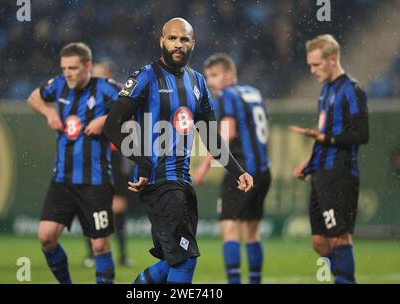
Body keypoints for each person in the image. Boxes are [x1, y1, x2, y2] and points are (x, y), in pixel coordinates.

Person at [103, 18, 253, 284]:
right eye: (172, 38)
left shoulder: (197, 83)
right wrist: (142, 161)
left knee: (174, 258)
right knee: (185, 258)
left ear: (192, 43)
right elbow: (112, 125)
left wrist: (237, 171)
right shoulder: (145, 77)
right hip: (160, 182)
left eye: (184, 39)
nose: (178, 44)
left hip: (183, 183)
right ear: (162, 41)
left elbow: (210, 137)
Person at [28, 42, 121, 284]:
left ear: (87, 66)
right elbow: (34, 97)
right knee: (46, 237)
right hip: (63, 180)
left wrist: (105, 120)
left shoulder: (104, 88)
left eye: (73, 68)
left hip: (95, 181)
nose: (67, 73)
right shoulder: (59, 85)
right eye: (64, 68)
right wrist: (48, 113)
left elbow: (132, 104)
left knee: (100, 244)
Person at [291, 34, 369, 284]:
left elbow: (361, 134)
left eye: (316, 65)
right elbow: (322, 135)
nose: (312, 70)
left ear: (332, 59)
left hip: (339, 174)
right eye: (310, 65)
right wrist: (309, 163)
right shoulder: (326, 90)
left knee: (339, 237)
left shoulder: (352, 90)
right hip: (320, 174)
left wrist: (326, 139)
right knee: (320, 242)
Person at [194, 53, 271, 284]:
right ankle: (255, 281)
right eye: (207, 76)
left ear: (229, 74)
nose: (210, 81)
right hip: (263, 171)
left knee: (229, 228)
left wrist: (204, 166)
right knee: (251, 232)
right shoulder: (254, 93)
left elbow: (226, 135)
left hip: (240, 172)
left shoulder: (227, 96)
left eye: (214, 75)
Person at [83, 59, 134, 268]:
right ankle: (92, 255)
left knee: (119, 206)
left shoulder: (119, 96)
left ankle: (121, 256)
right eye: (94, 74)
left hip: (114, 156)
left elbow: (128, 120)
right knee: (92, 206)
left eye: (101, 74)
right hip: (93, 156)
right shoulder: (85, 97)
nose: (96, 78)